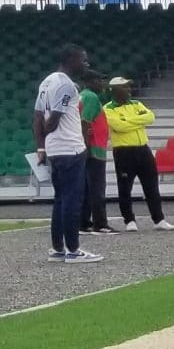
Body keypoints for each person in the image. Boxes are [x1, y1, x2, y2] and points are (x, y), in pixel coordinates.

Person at [31, 45, 100, 264]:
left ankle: (58, 249)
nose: (86, 64)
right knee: (72, 199)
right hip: (70, 148)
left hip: (54, 150)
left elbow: (37, 117)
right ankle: (73, 250)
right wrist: (50, 129)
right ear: (71, 59)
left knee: (60, 199)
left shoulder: (47, 81)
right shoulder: (67, 86)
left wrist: (41, 145)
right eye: (83, 60)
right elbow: (52, 120)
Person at [103, 76, 174, 231]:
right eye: (125, 87)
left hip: (143, 148)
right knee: (125, 187)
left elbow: (150, 117)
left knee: (151, 186)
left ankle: (159, 219)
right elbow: (118, 126)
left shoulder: (136, 103)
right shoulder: (108, 108)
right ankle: (129, 220)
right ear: (115, 90)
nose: (129, 90)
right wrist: (137, 121)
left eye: (129, 87)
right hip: (123, 151)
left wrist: (129, 120)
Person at [78, 74, 114, 235]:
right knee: (97, 188)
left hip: (88, 147)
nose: (102, 84)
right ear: (89, 82)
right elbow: (85, 122)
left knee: (86, 188)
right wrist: (87, 147)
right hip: (94, 149)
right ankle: (100, 224)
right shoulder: (91, 97)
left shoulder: (82, 96)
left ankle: (84, 222)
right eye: (98, 80)